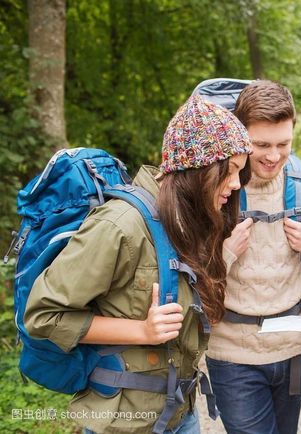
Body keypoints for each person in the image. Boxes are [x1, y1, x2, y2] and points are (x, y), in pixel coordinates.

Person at [24, 94, 252, 434]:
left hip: (180, 413)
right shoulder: (120, 226)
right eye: (230, 170)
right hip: (125, 423)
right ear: (199, 167)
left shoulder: (190, 217)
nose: (236, 184)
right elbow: (42, 316)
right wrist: (141, 331)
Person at [205, 80, 301, 434]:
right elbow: (192, 282)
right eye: (261, 145)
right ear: (239, 137)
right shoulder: (217, 191)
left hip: (293, 351)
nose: (273, 156)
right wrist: (226, 254)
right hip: (233, 356)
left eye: (284, 144)